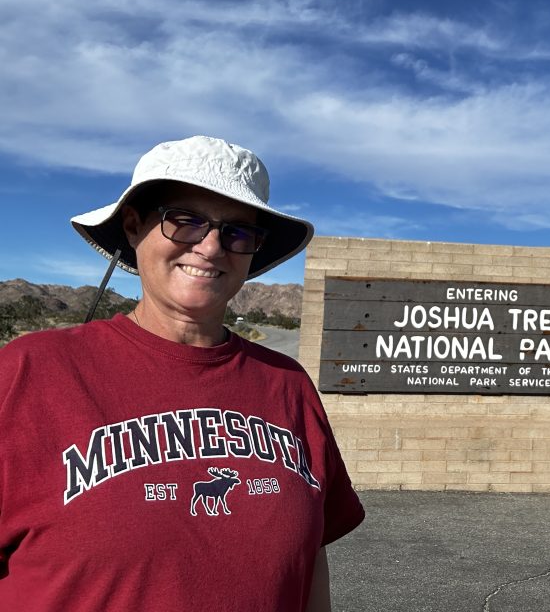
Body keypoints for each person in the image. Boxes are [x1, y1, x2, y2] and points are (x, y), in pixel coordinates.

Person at [0, 136, 365, 611]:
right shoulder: (27, 374)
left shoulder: (286, 384)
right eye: (186, 221)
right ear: (134, 227)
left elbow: (310, 559)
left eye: (237, 232)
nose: (211, 247)